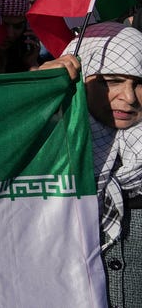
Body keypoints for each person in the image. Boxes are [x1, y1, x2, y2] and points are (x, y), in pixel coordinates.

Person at [46, 22, 142, 306]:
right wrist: (38, 94)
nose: (129, 98)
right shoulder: (47, 148)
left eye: (140, 83)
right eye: (111, 81)